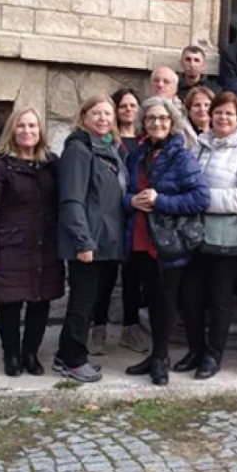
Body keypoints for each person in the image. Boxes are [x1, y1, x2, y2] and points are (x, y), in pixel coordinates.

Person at [123, 98, 210, 386]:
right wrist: (130, 200)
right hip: (140, 235)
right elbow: (123, 192)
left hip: (169, 239)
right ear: (143, 123)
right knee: (151, 298)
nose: (156, 123)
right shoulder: (137, 154)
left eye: (162, 118)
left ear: (172, 123)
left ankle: (161, 358)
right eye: (151, 119)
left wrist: (162, 201)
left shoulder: (182, 156)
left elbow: (200, 197)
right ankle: (154, 355)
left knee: (166, 302)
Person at [180, 92, 237, 379]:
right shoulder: (198, 147)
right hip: (194, 234)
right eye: (218, 112)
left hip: (226, 236)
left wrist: (203, 200)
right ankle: (195, 349)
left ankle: (213, 355)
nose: (223, 118)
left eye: (229, 113)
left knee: (219, 299)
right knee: (189, 296)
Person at [0, 108, 64, 377]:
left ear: (40, 131)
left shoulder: (52, 163)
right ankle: (11, 355)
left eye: (33, 126)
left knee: (41, 302)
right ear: (12, 130)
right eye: (22, 126)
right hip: (10, 245)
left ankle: (31, 353)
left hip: (45, 245)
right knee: (10, 303)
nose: (28, 131)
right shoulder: (1, 164)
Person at [53, 95, 128, 383]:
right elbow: (71, 199)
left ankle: (64, 355)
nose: (103, 119)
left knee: (92, 302)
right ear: (84, 117)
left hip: (106, 242)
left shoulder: (111, 149)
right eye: (96, 113)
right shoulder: (79, 150)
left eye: (108, 114)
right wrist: (83, 241)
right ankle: (74, 360)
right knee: (82, 304)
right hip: (88, 243)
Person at [90, 88, 149, 356]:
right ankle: (98, 329)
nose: (128, 110)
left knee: (133, 277)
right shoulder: (108, 140)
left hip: (136, 218)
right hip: (110, 217)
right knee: (104, 276)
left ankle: (130, 329)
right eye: (123, 106)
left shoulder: (145, 139)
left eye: (133, 105)